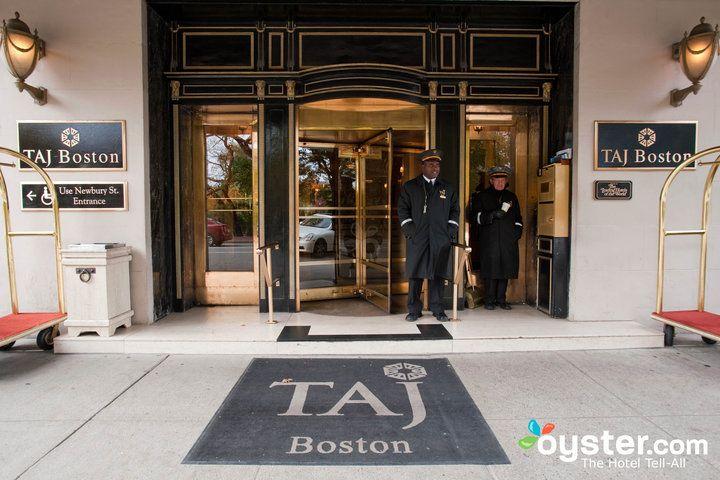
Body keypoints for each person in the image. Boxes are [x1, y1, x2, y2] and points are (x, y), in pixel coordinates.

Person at [397, 148, 460, 322]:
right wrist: (410, 230)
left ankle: (438, 309)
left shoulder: (447, 188)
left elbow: (455, 210)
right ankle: (414, 310)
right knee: (416, 275)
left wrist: (450, 230)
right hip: (418, 238)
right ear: (422, 166)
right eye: (431, 164)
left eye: (437, 164)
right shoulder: (411, 187)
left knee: (437, 275)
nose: (435, 168)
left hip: (440, 238)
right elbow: (402, 210)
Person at [469, 165, 523, 310]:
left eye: (503, 179)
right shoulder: (482, 196)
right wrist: (492, 215)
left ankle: (502, 300)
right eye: (497, 179)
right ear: (491, 180)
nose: (500, 182)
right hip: (490, 240)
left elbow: (518, 218)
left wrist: (516, 233)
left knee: (505, 270)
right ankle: (489, 300)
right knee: (491, 271)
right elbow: (476, 218)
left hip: (508, 240)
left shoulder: (511, 197)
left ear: (506, 181)